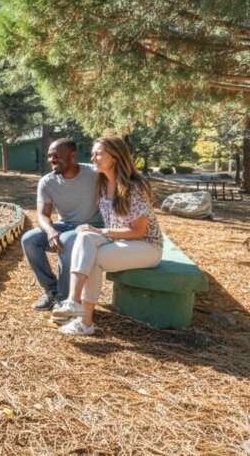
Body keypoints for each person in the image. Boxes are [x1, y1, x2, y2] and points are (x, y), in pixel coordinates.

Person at [53, 137, 164, 336]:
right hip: (121, 242)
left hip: (146, 246)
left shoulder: (135, 186)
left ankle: (84, 322)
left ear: (114, 157)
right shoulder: (103, 185)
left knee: (92, 255)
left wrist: (101, 231)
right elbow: (75, 166)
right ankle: (73, 302)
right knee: (85, 238)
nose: (93, 158)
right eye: (93, 154)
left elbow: (137, 231)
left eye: (98, 154)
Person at [21, 138, 102, 321]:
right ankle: (52, 291)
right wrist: (50, 231)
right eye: (49, 156)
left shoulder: (94, 173)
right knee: (29, 240)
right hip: (65, 225)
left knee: (66, 241)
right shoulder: (47, 182)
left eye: (57, 156)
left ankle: (66, 300)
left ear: (72, 155)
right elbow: (42, 215)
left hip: (93, 227)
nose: (51, 160)